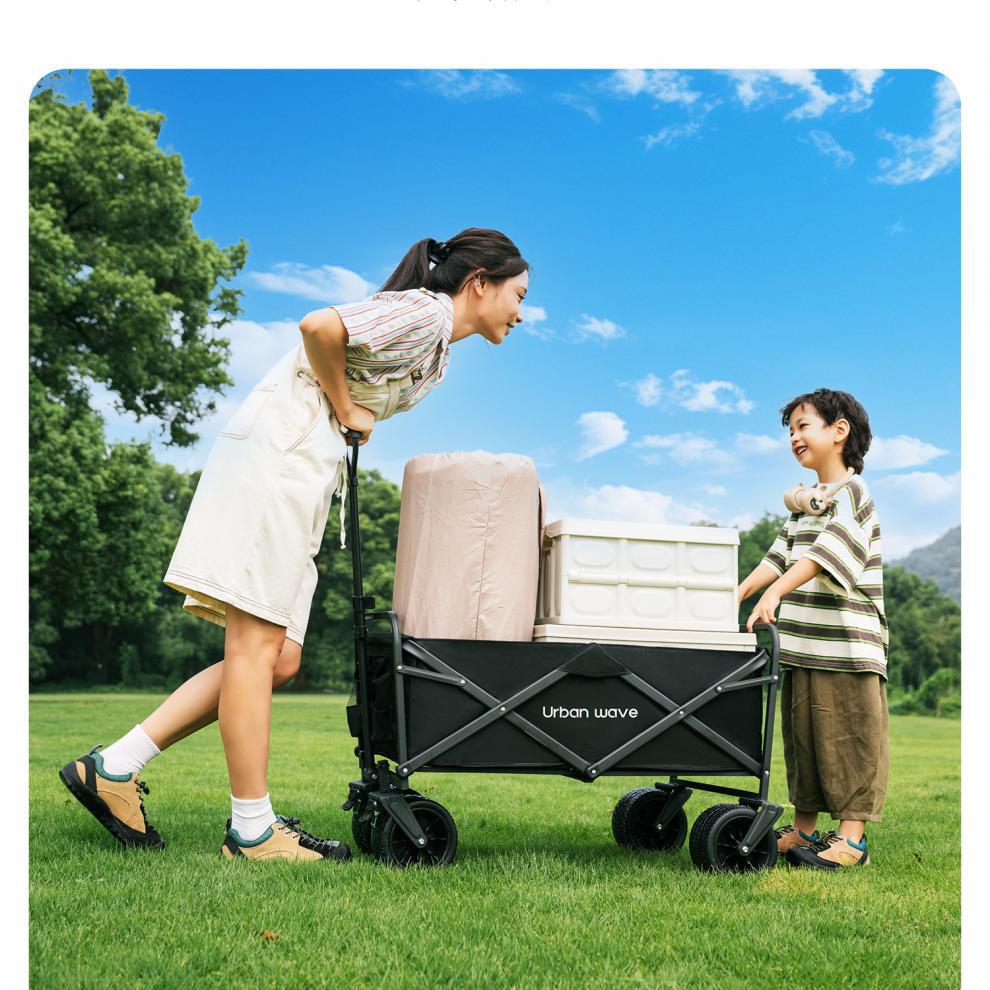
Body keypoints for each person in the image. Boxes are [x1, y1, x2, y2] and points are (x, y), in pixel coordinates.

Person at [59, 228, 530, 862]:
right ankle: (252, 831)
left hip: (302, 473)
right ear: (479, 284)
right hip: (279, 465)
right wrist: (346, 405)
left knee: (278, 658)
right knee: (254, 650)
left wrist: (350, 412)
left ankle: (114, 767)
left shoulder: (437, 346)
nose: (521, 313)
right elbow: (319, 327)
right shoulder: (426, 313)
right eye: (518, 295)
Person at [736, 388, 888, 870]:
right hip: (802, 646)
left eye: (803, 426)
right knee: (803, 743)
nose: (793, 437)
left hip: (846, 650)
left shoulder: (853, 493)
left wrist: (775, 594)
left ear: (839, 431)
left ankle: (852, 841)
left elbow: (826, 555)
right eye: (790, 431)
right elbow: (777, 557)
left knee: (848, 739)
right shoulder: (807, 504)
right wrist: (739, 593)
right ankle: (803, 831)